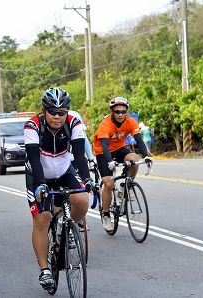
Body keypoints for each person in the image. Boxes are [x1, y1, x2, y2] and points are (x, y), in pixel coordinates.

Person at [24, 87, 95, 291]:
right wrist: (41, 184)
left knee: (82, 200)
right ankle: (45, 269)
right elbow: (34, 159)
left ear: (67, 112)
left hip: (64, 170)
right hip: (38, 174)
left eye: (62, 112)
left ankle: (70, 226)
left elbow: (80, 155)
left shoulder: (74, 123)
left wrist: (88, 180)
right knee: (42, 219)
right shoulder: (33, 125)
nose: (57, 116)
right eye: (52, 112)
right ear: (44, 111)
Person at [93, 96, 152, 233]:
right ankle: (106, 215)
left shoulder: (131, 121)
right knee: (108, 183)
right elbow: (105, 146)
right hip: (103, 152)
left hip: (120, 148)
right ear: (112, 111)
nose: (120, 114)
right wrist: (110, 162)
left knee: (134, 159)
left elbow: (139, 140)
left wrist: (147, 156)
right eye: (117, 112)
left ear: (126, 112)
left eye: (123, 112)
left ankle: (125, 186)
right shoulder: (105, 125)